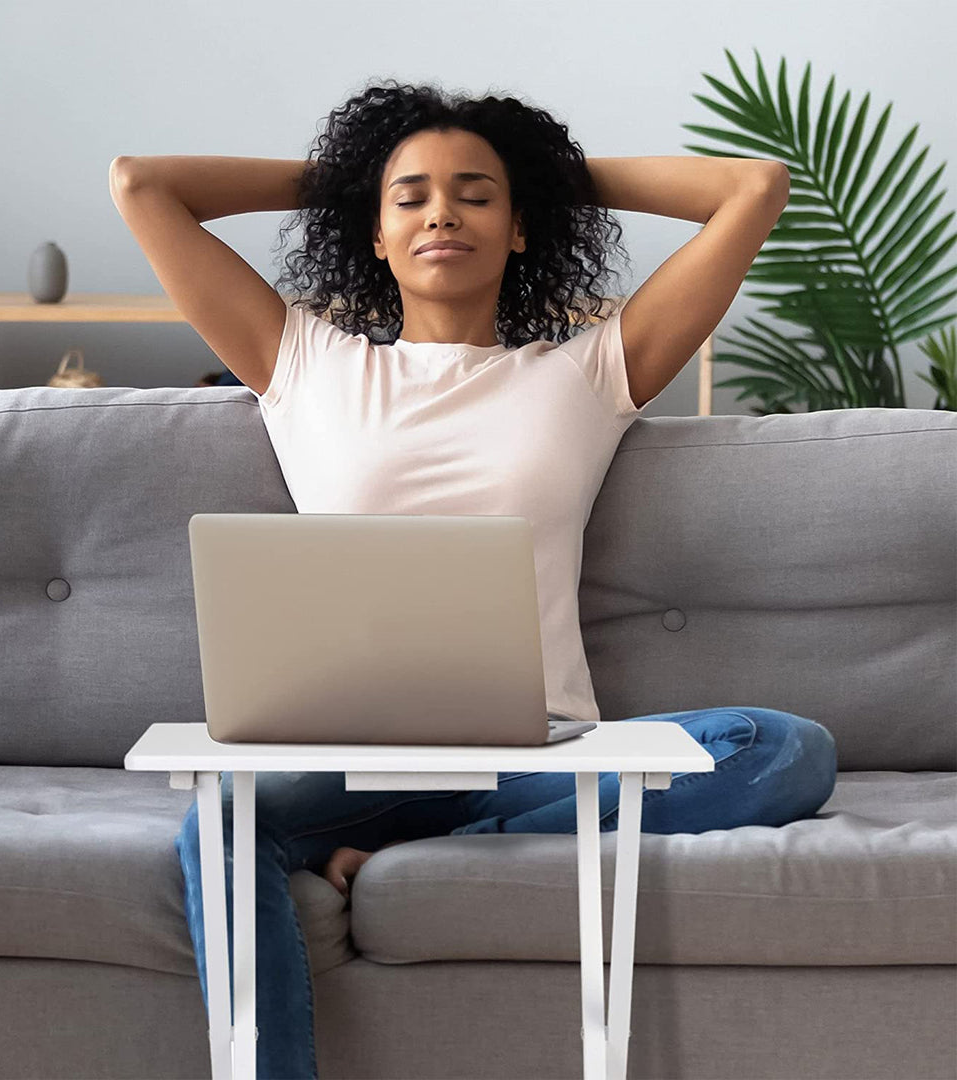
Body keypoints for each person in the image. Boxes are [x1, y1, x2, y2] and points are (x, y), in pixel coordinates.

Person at [114, 78, 836, 1080]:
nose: (441, 214)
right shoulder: (304, 363)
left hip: (542, 752)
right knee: (220, 824)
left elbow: (753, 187)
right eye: (410, 199)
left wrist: (538, 173)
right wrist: (359, 177)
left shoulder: (589, 374)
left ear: (522, 227)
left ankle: (444, 853)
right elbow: (143, 185)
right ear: (373, 235)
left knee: (785, 750)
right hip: (349, 761)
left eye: (476, 196)